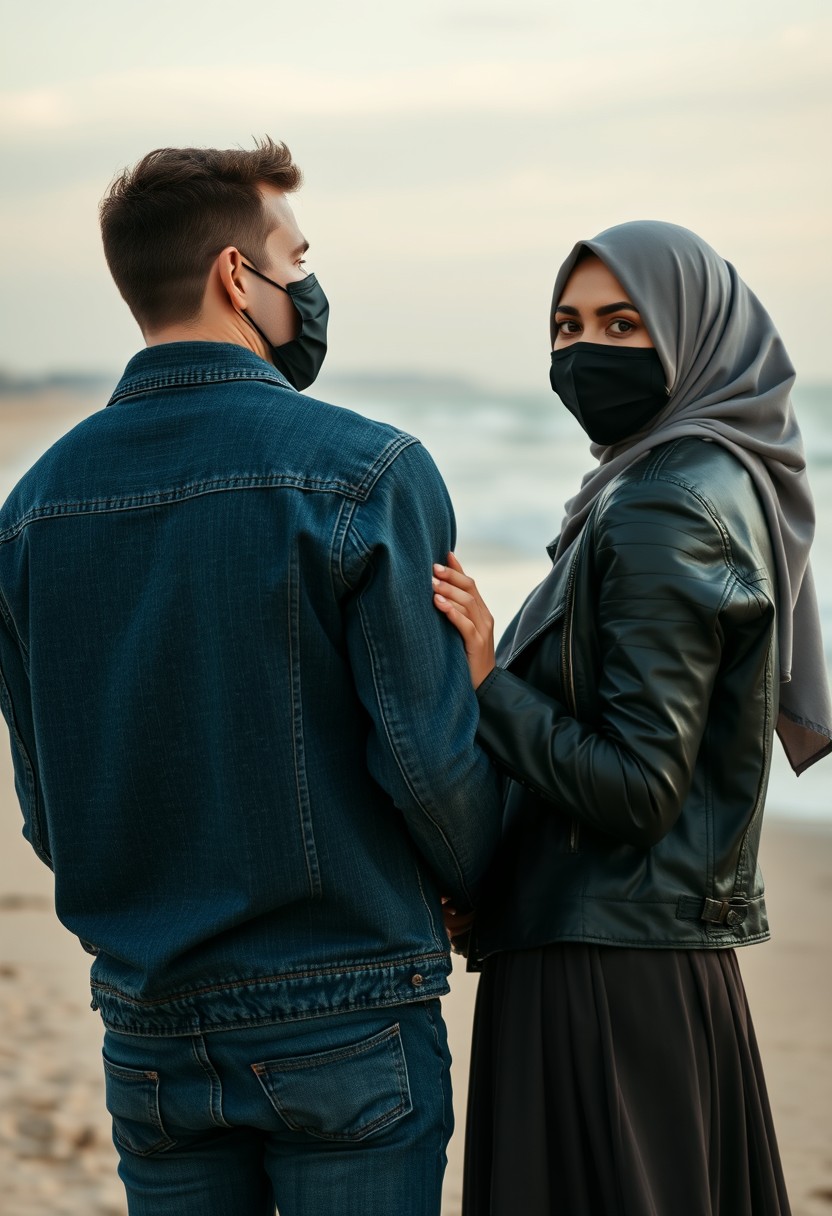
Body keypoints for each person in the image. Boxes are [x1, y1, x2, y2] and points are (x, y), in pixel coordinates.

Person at [0, 138, 501, 1216]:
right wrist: (478, 881)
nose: (309, 289)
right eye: (299, 258)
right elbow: (423, 763)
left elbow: (48, 811)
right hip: (350, 1012)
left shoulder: (30, 512)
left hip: (148, 1023)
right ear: (238, 275)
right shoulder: (368, 473)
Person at [433, 220, 832, 1216]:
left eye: (621, 322)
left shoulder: (663, 503)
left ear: (695, 333)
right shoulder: (688, 479)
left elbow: (638, 787)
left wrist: (485, 677)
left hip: (603, 979)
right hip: (638, 957)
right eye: (564, 326)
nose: (582, 352)